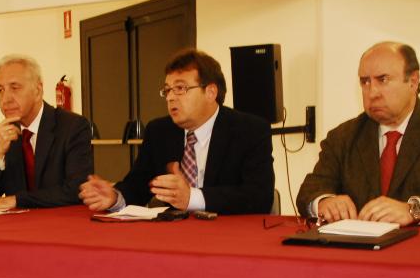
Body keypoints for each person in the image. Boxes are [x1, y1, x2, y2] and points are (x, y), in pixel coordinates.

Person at [296, 42, 420, 226]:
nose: (372, 92)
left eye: (383, 80)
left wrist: (413, 210)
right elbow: (309, 191)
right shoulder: (343, 137)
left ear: (413, 82)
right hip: (359, 255)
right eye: (365, 82)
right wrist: (324, 201)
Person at [79, 49, 274, 215]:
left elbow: (259, 197)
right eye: (167, 90)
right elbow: (138, 186)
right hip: (173, 240)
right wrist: (114, 197)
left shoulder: (250, 130)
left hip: (230, 240)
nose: (171, 97)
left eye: (180, 88)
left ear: (210, 92)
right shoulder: (159, 131)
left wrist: (192, 198)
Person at [0, 54, 93, 209]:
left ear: (38, 90)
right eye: (0, 90)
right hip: (16, 229)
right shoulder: (3, 133)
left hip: (60, 227)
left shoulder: (72, 127)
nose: (5, 99)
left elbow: (76, 190)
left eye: (15, 88)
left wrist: (16, 200)